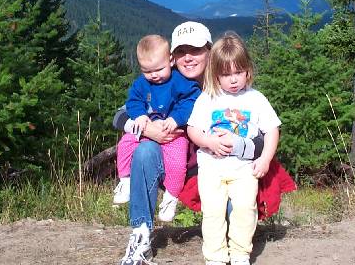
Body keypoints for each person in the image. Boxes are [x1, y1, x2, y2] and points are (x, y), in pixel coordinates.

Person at [187, 33, 280, 265]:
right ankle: (215, 257)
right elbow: (193, 129)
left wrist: (265, 159)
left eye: (238, 72)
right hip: (211, 168)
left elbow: (272, 129)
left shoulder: (256, 99)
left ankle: (240, 254)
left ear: (248, 70)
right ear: (215, 75)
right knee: (213, 212)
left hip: (244, 169)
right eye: (226, 74)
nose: (233, 80)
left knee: (245, 209)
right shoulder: (208, 99)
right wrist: (208, 142)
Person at [113, 34, 201, 226]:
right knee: (126, 143)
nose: (154, 75)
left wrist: (175, 119)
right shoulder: (141, 84)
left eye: (159, 69)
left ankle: (171, 197)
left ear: (169, 60)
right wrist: (139, 117)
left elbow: (189, 102)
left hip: (178, 138)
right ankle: (125, 181)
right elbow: (130, 105)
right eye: (147, 71)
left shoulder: (182, 83)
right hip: (148, 131)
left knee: (177, 161)